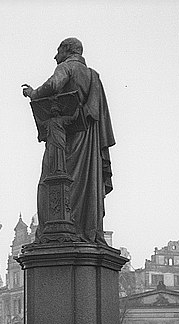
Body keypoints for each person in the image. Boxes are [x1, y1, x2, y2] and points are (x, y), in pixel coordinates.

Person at [22, 38, 115, 244]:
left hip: (67, 138)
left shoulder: (66, 67)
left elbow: (54, 84)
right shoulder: (93, 76)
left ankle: (52, 232)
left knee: (50, 181)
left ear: (67, 50)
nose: (55, 56)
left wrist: (33, 93)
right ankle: (85, 229)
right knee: (86, 183)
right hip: (89, 140)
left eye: (57, 51)